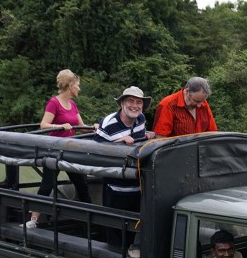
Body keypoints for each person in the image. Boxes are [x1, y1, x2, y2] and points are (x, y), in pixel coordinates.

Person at [27, 70, 92, 228]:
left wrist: (94, 128)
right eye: (77, 85)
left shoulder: (73, 105)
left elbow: (81, 127)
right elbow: (43, 125)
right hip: (55, 152)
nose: (79, 88)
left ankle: (91, 219)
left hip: (70, 151)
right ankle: (33, 219)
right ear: (70, 85)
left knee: (82, 184)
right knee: (47, 184)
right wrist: (60, 126)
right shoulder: (54, 103)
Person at [94, 86, 156, 246]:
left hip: (136, 184)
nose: (134, 105)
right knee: (114, 225)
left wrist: (146, 135)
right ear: (122, 103)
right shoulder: (108, 123)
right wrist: (119, 143)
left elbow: (139, 141)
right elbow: (96, 151)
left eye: (139, 102)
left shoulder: (141, 119)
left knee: (131, 225)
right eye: (130, 101)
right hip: (115, 186)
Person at [153, 77, 218, 137]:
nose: (199, 105)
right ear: (187, 91)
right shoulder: (168, 104)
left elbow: (212, 132)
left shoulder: (202, 102)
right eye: (196, 101)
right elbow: (160, 138)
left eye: (202, 101)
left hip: (200, 148)